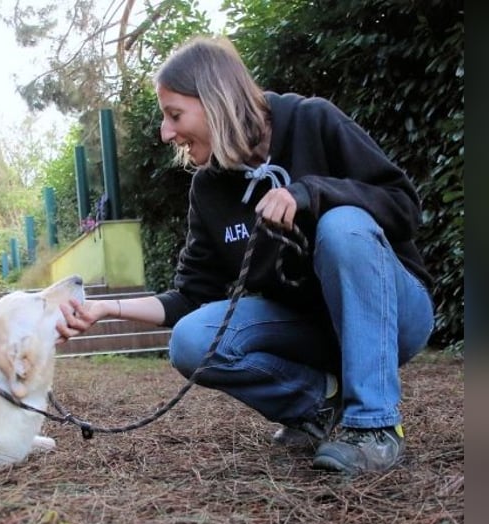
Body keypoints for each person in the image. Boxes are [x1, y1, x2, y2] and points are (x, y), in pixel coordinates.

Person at [56, 35, 435, 475]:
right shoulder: (210, 187)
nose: (165, 132)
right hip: (311, 331)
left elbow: (403, 204)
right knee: (193, 340)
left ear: (216, 101)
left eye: (174, 114)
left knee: (341, 225)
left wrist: (311, 193)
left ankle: (374, 427)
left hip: (393, 317)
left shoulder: (313, 120)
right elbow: (191, 297)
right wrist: (104, 310)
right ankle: (321, 407)